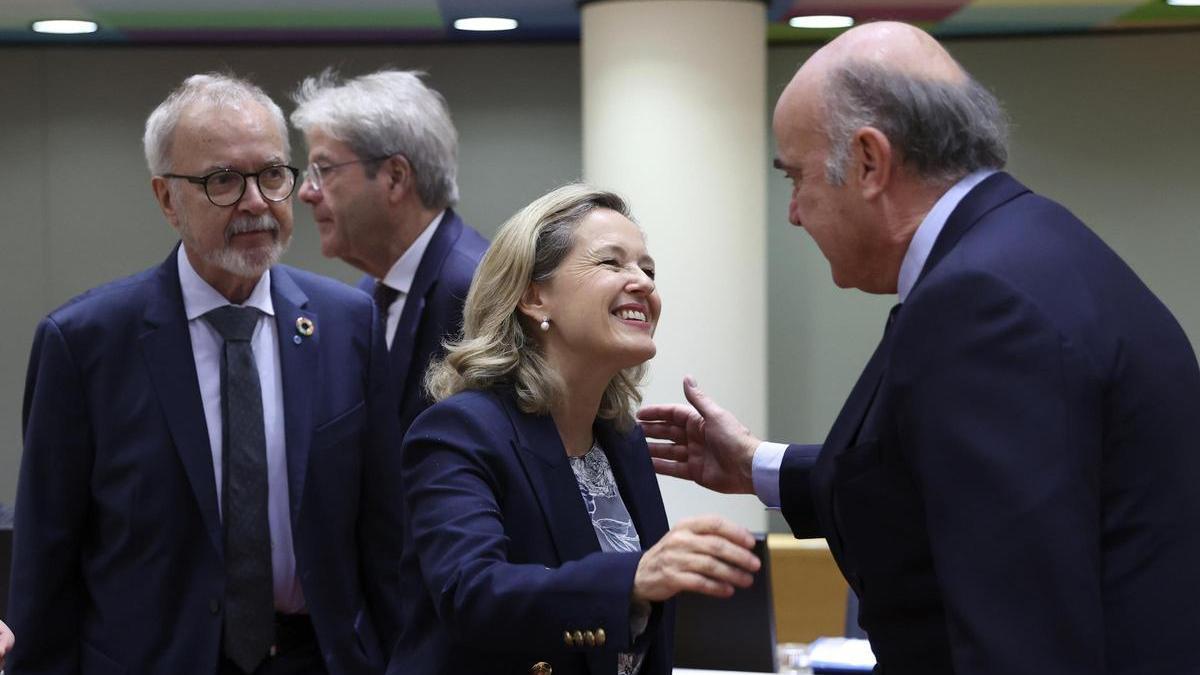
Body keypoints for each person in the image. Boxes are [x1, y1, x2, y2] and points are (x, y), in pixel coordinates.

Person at [640, 21, 1200, 675]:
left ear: (871, 163)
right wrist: (756, 466)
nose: (794, 213)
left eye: (796, 178)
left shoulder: (983, 302)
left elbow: (1018, 628)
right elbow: (934, 478)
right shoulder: (1029, 246)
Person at [9, 73, 403, 674]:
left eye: (272, 174)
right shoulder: (85, 343)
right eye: (223, 180)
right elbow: (46, 557)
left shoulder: (347, 325)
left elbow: (384, 539)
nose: (255, 201)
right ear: (167, 198)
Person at [388, 184, 762, 675]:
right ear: (533, 296)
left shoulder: (620, 438)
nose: (644, 284)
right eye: (613, 263)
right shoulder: (459, 431)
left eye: (648, 270)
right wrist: (632, 578)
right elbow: (471, 596)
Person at [291, 69, 488, 437]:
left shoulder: (479, 291)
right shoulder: (369, 295)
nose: (306, 192)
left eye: (324, 170)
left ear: (395, 177)